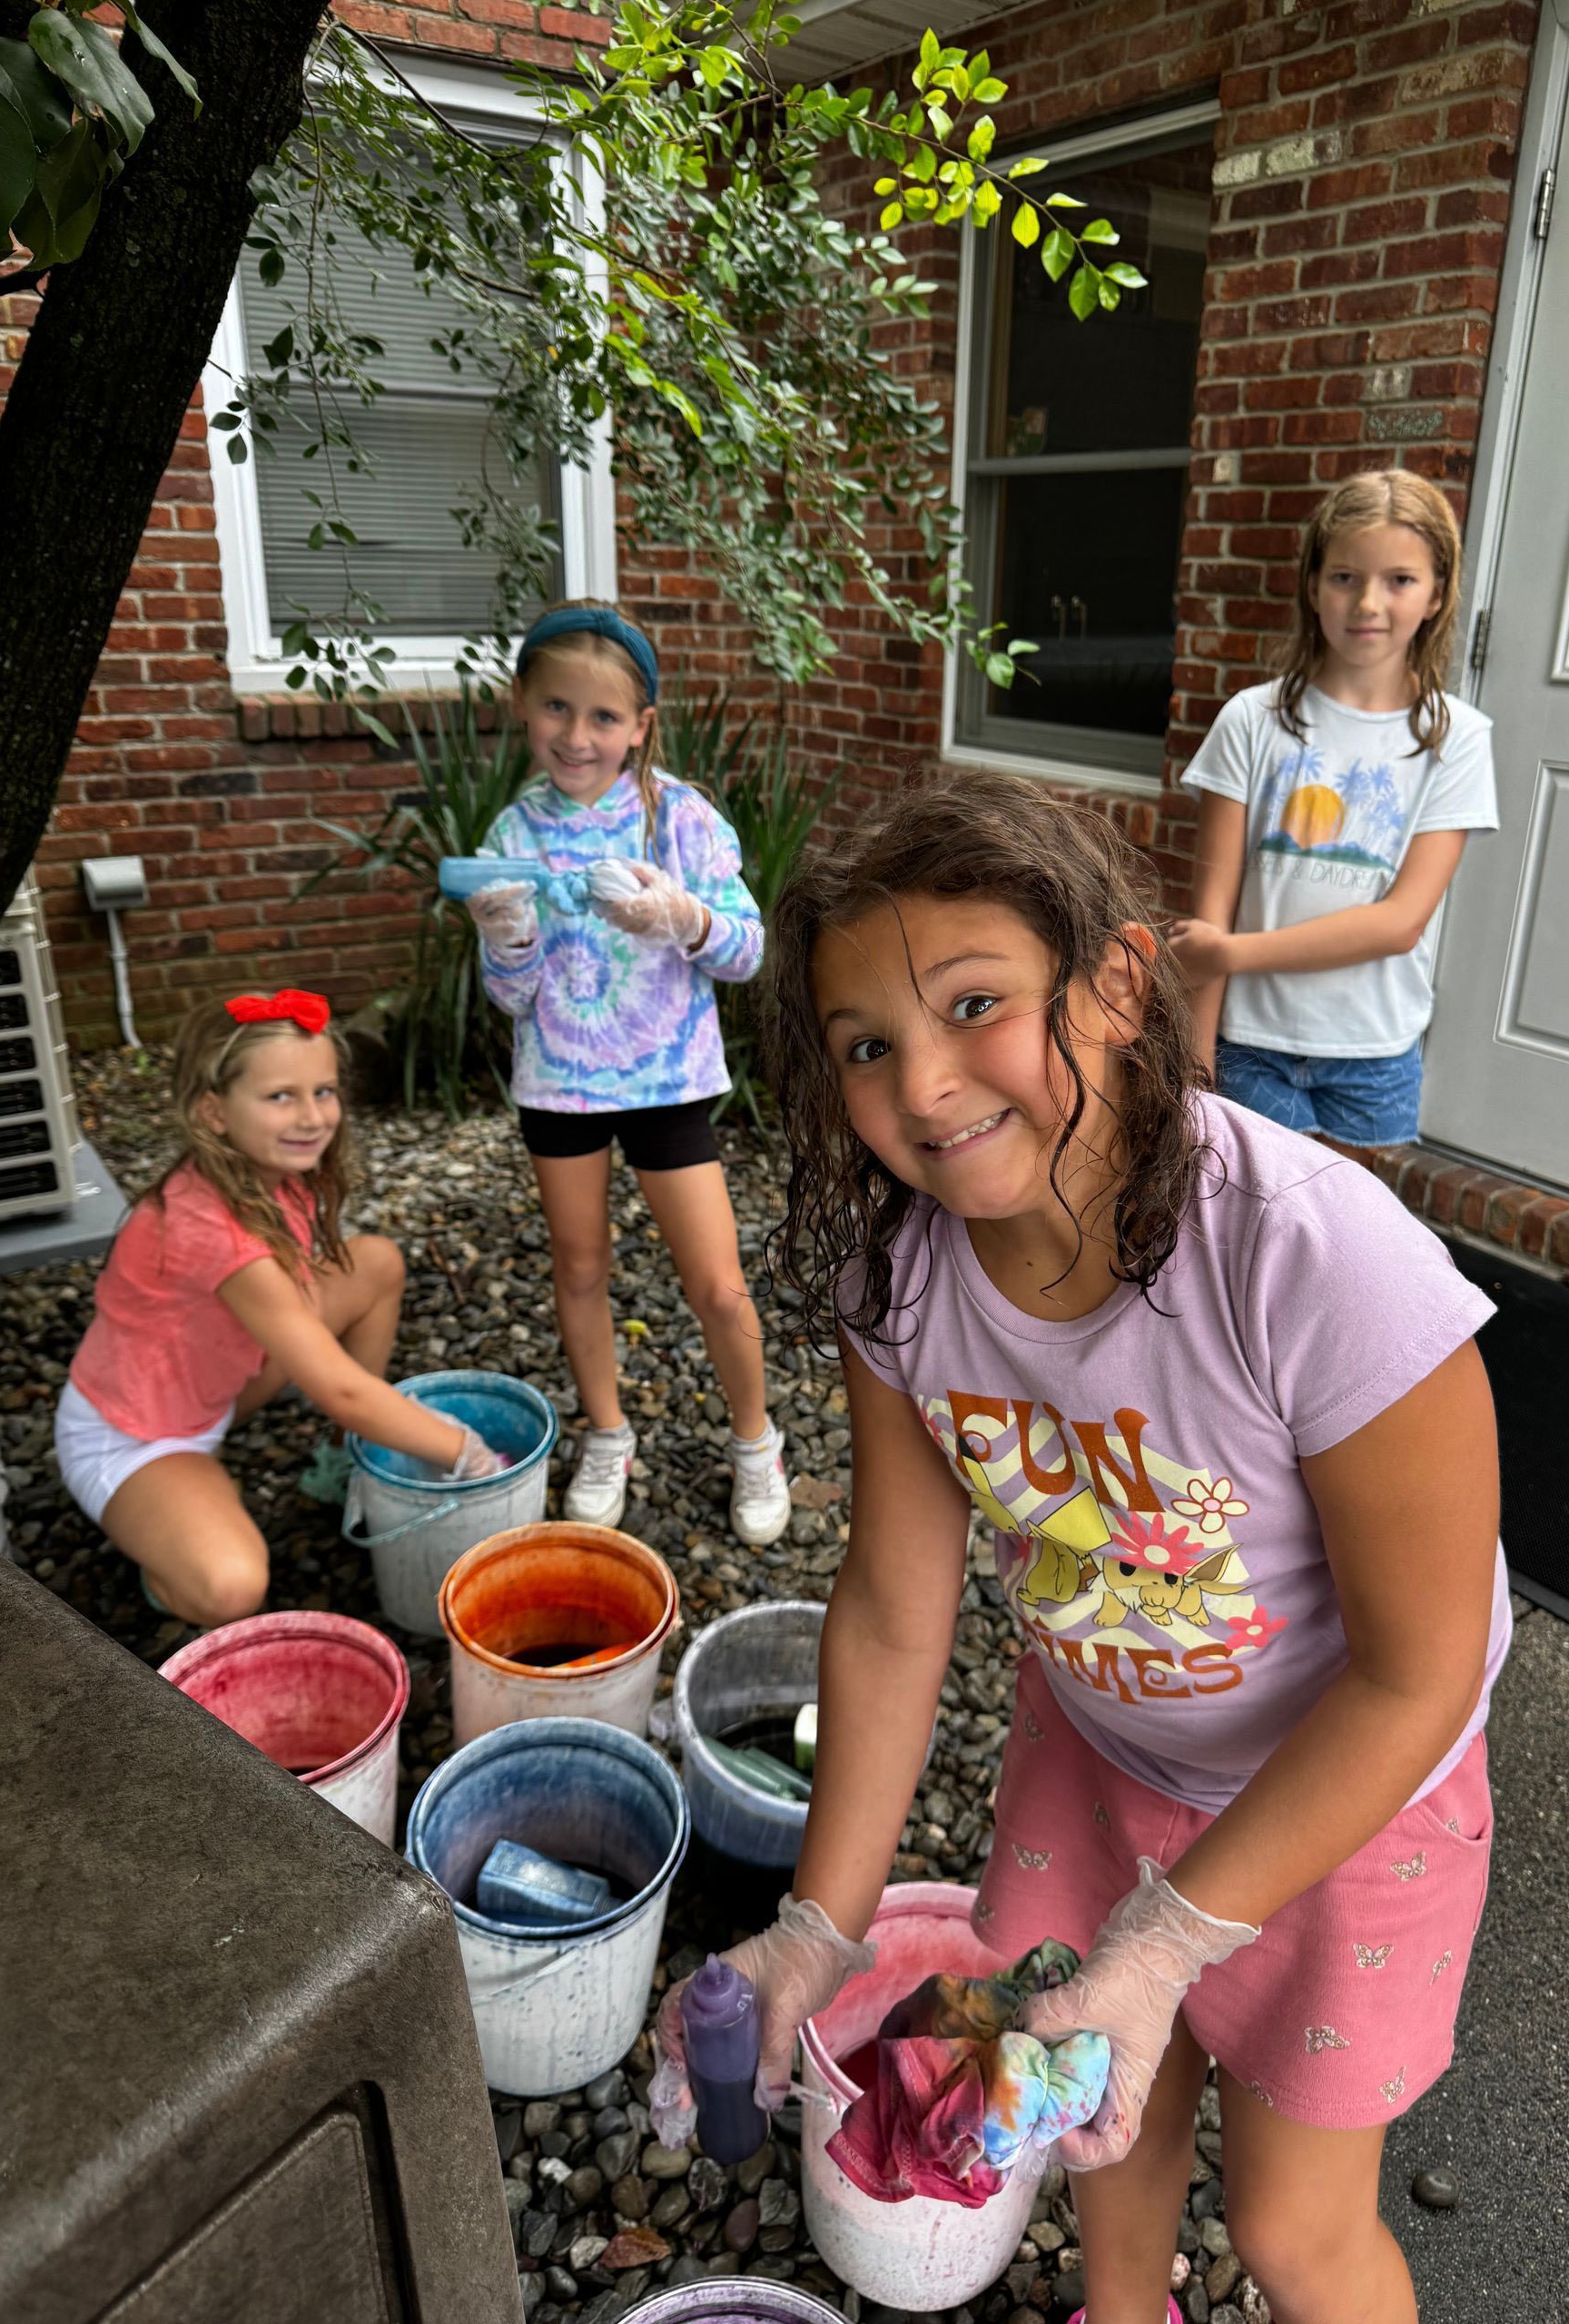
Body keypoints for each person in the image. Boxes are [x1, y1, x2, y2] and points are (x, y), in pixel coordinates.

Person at [654, 773, 1512, 2324]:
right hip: (1099, 1753)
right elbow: (895, 1611)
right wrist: (816, 1926)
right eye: (867, 1046)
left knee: (1291, 2234)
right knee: (1090, 2101)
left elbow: (1420, 1667)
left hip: (1347, 1801)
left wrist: (1177, 1933)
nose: (924, 1086)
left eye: (974, 1003)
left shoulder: (1320, 1260)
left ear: (1117, 984)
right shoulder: (898, 1279)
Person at [465, 599, 790, 1545]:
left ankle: (756, 1440)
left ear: (641, 725)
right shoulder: (512, 833)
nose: (578, 735)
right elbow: (513, 998)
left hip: (669, 1085)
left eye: (604, 716)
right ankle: (608, 1432)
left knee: (721, 1286)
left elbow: (748, 950)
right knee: (579, 1268)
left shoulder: (679, 817)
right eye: (558, 709)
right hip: (559, 1084)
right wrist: (508, 932)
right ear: (524, 705)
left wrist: (680, 918)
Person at [54, 990, 499, 1628]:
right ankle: (167, 1562)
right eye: (280, 1097)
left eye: (323, 1091)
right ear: (212, 1111)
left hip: (213, 1382)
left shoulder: (266, 1171)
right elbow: (342, 1389)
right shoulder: (210, 1227)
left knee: (373, 1266)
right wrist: (465, 1451)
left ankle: (345, 1456)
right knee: (234, 1585)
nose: (314, 1116)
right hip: (134, 1435)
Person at [1169, 469, 1497, 1157]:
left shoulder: (1456, 738)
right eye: (1345, 577)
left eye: (1400, 580)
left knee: (1349, 1253)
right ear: (1313, 585)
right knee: (1243, 1233)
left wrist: (1231, 952)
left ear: (1437, 595)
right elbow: (1212, 917)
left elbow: (1400, 923)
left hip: (1373, 1049)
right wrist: (1196, 1067)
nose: (1368, 602)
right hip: (1249, 1043)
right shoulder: (1251, 722)